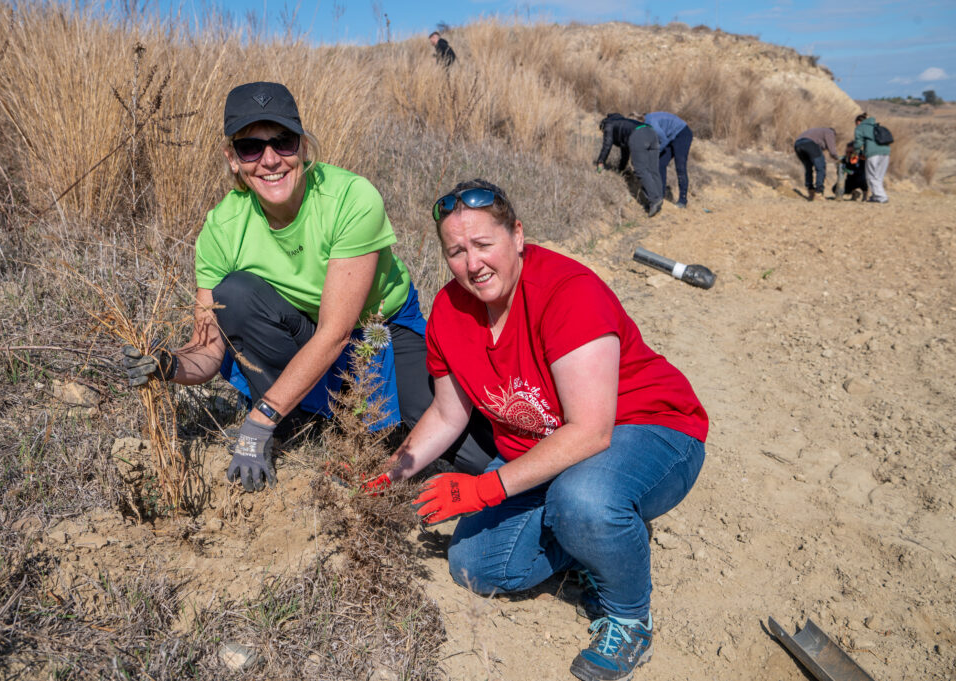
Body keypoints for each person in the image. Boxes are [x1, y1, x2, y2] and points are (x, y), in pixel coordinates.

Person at [370, 180, 708, 681]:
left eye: (484, 244)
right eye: (457, 251)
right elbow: (447, 414)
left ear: (518, 236)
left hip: (647, 428)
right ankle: (593, 542)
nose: (473, 263)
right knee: (474, 566)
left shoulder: (568, 292)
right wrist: (390, 473)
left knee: (584, 500)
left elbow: (592, 431)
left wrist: (487, 487)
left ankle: (628, 616)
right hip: (546, 446)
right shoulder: (447, 311)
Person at [122, 82, 494, 492]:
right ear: (232, 159)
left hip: (379, 330)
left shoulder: (351, 198)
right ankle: (301, 417)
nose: (269, 161)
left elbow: (336, 333)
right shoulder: (221, 228)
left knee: (463, 444)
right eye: (250, 148)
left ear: (303, 147)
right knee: (235, 295)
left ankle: (530, 468)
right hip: (304, 332)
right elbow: (208, 349)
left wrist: (257, 421)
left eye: (283, 142)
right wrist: (168, 364)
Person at [595, 113, 664, 217]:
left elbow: (607, 145)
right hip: (651, 132)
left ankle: (654, 200)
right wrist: (620, 169)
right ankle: (659, 198)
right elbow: (625, 152)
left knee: (641, 170)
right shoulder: (624, 123)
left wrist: (600, 162)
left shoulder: (608, 125)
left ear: (603, 126)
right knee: (653, 169)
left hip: (638, 136)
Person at [641, 111, 693, 208]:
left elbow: (663, 141)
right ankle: (660, 196)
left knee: (680, 166)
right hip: (670, 137)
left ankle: (682, 200)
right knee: (661, 163)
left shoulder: (651, 123)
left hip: (682, 134)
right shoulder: (645, 123)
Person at [793, 127, 839, 200]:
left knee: (808, 168)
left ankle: (811, 191)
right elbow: (832, 149)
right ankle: (819, 192)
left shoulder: (818, 131)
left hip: (797, 144)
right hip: (809, 144)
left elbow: (821, 146)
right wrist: (837, 158)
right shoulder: (830, 132)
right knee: (821, 167)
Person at [853, 113, 890, 203]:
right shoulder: (875, 126)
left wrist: (856, 153)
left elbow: (858, 143)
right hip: (886, 152)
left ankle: (882, 197)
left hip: (873, 154)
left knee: (871, 176)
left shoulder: (860, 127)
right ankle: (875, 196)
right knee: (878, 176)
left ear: (858, 122)